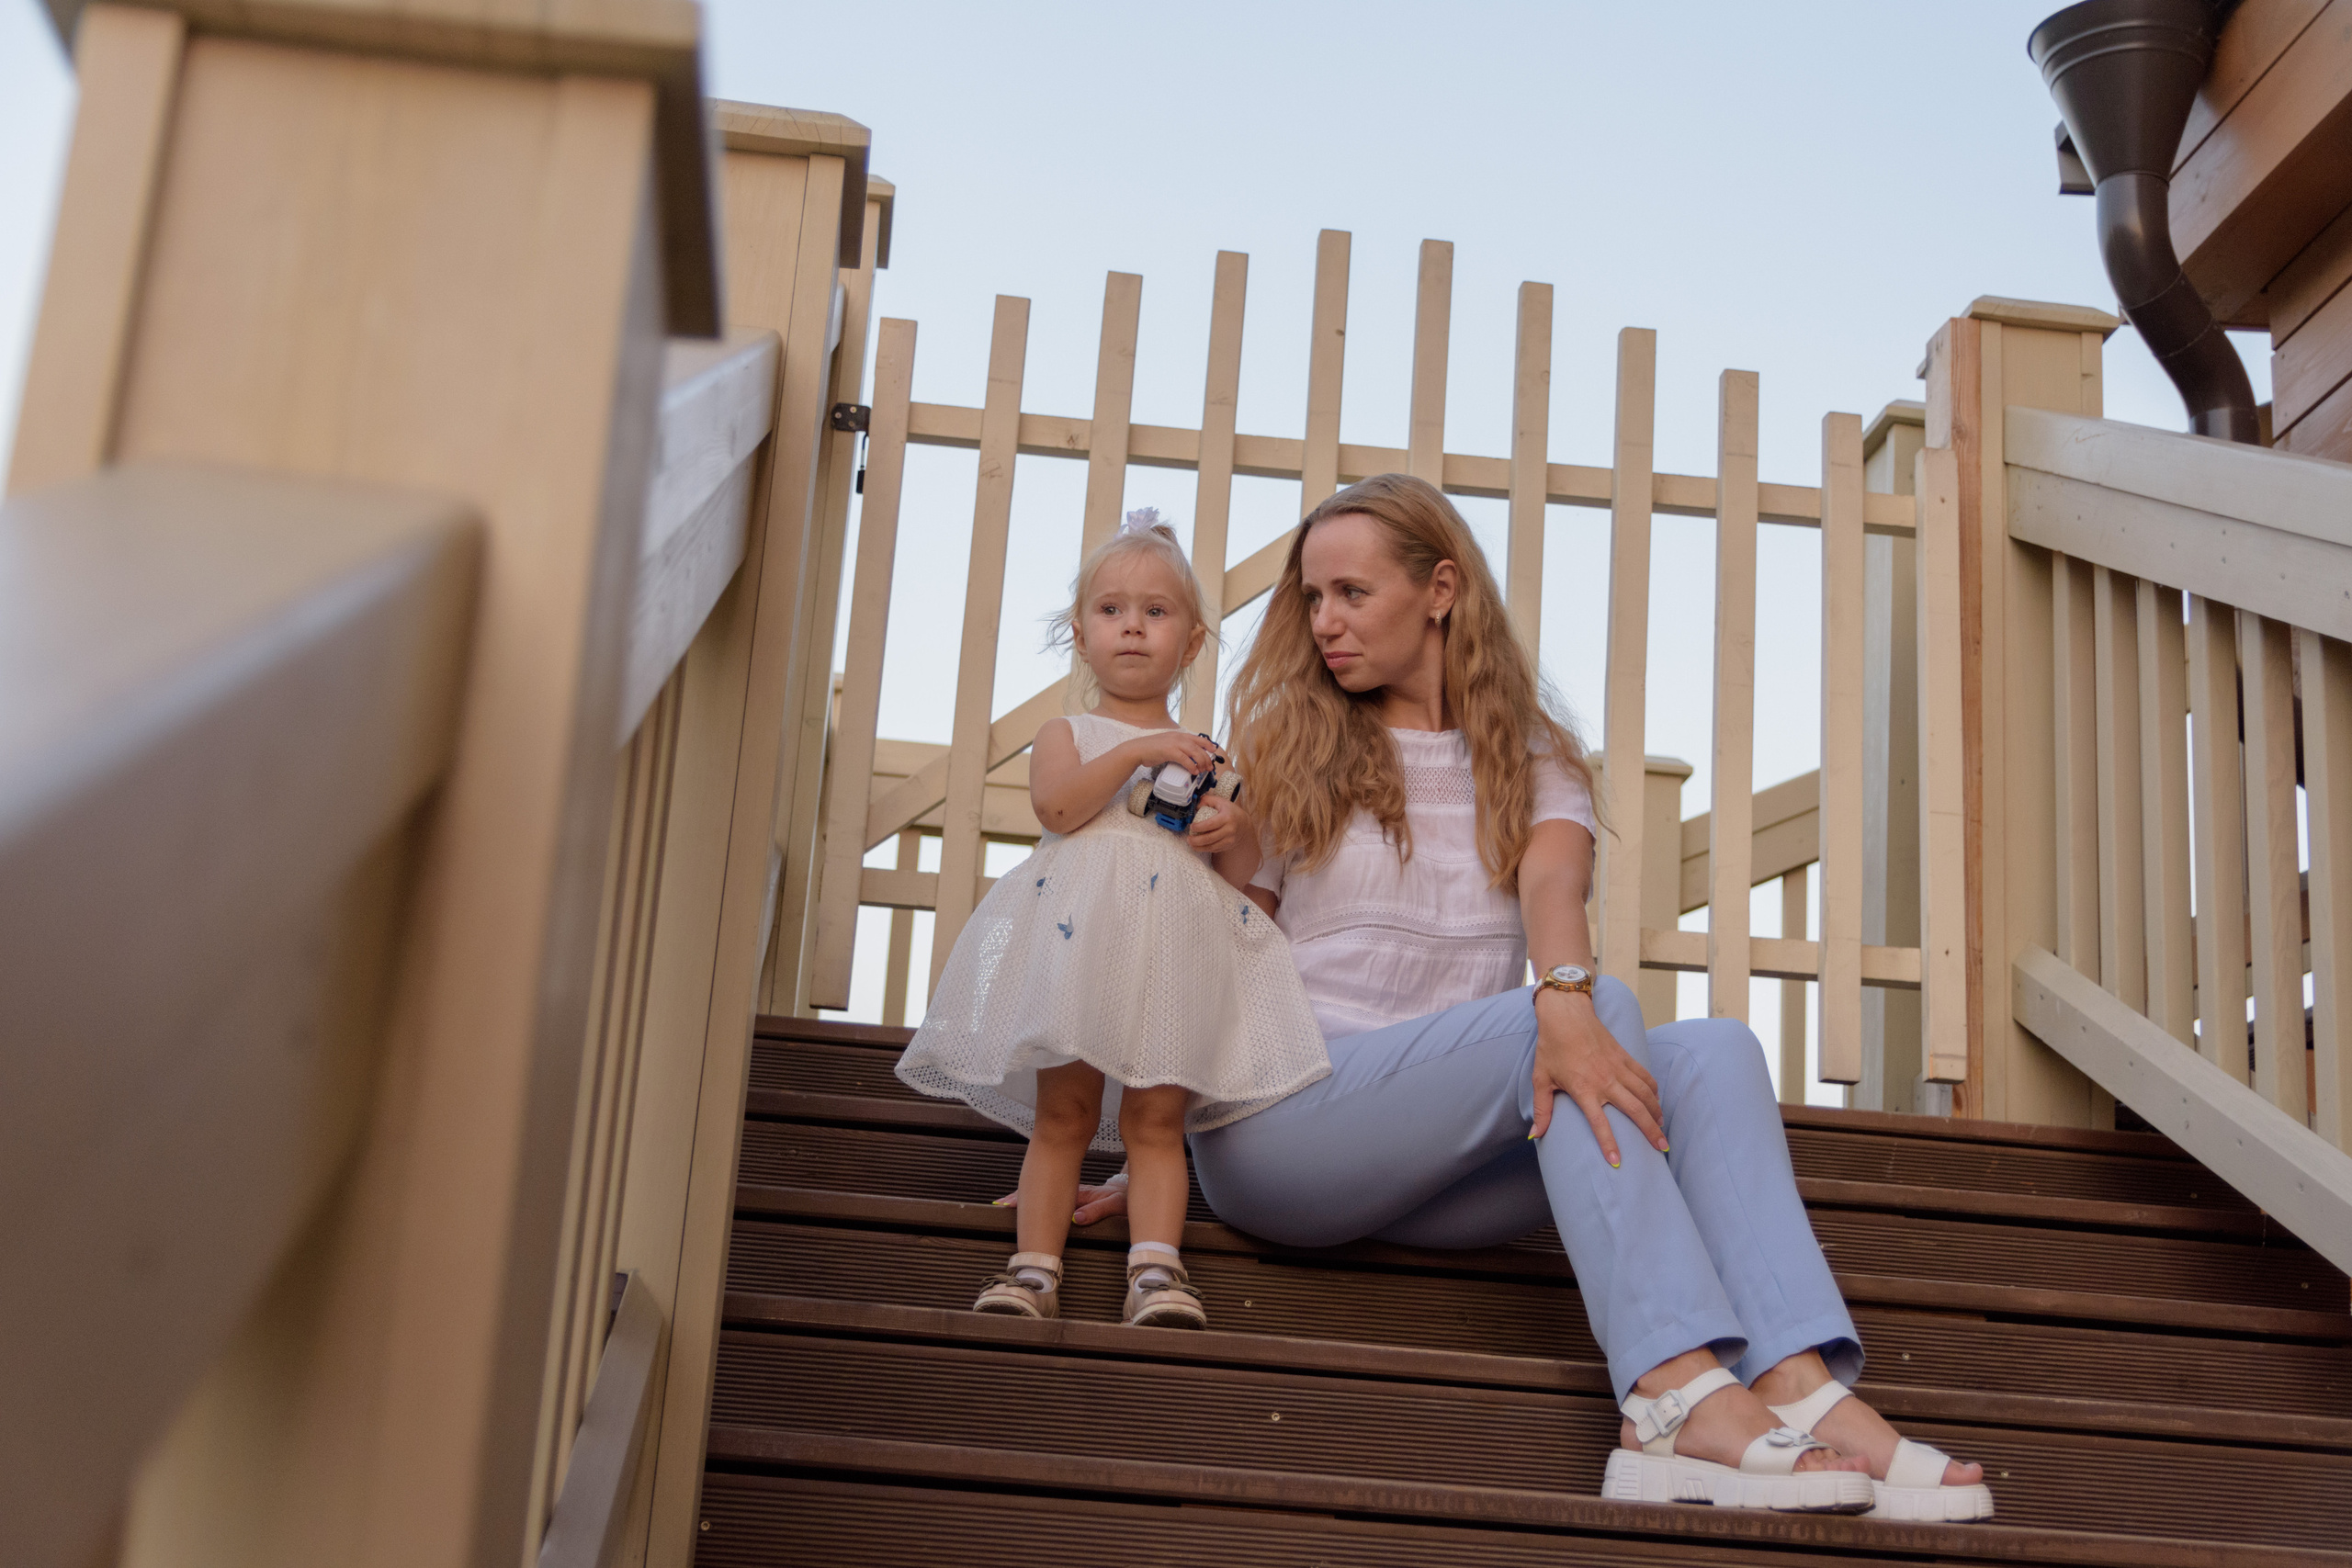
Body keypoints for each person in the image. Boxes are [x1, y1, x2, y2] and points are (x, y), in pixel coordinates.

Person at [1060, 474, 1994, 1521]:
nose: (1324, 622)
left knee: (1713, 1049)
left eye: (1352, 594)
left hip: (1450, 1160)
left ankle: (1797, 1386)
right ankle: (1671, 1399)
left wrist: (1564, 1002)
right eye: (1312, 598)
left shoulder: (1539, 759)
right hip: (1284, 1125)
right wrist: (1146, 1140)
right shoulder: (1286, 742)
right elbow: (1216, 944)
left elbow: (1555, 895)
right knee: (1577, 1015)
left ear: (1441, 588)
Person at [898, 509, 1327, 1334]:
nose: (1133, 625)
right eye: (1111, 610)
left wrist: (1230, 832)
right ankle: (1032, 1268)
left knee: (1156, 1119)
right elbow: (1060, 805)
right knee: (1065, 1112)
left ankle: (1157, 1268)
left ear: (1192, 641)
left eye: (1156, 612)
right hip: (1082, 954)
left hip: (1167, 961)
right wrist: (1137, 751)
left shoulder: (1207, 755)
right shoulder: (1069, 733)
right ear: (1080, 633)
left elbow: (1239, 880)